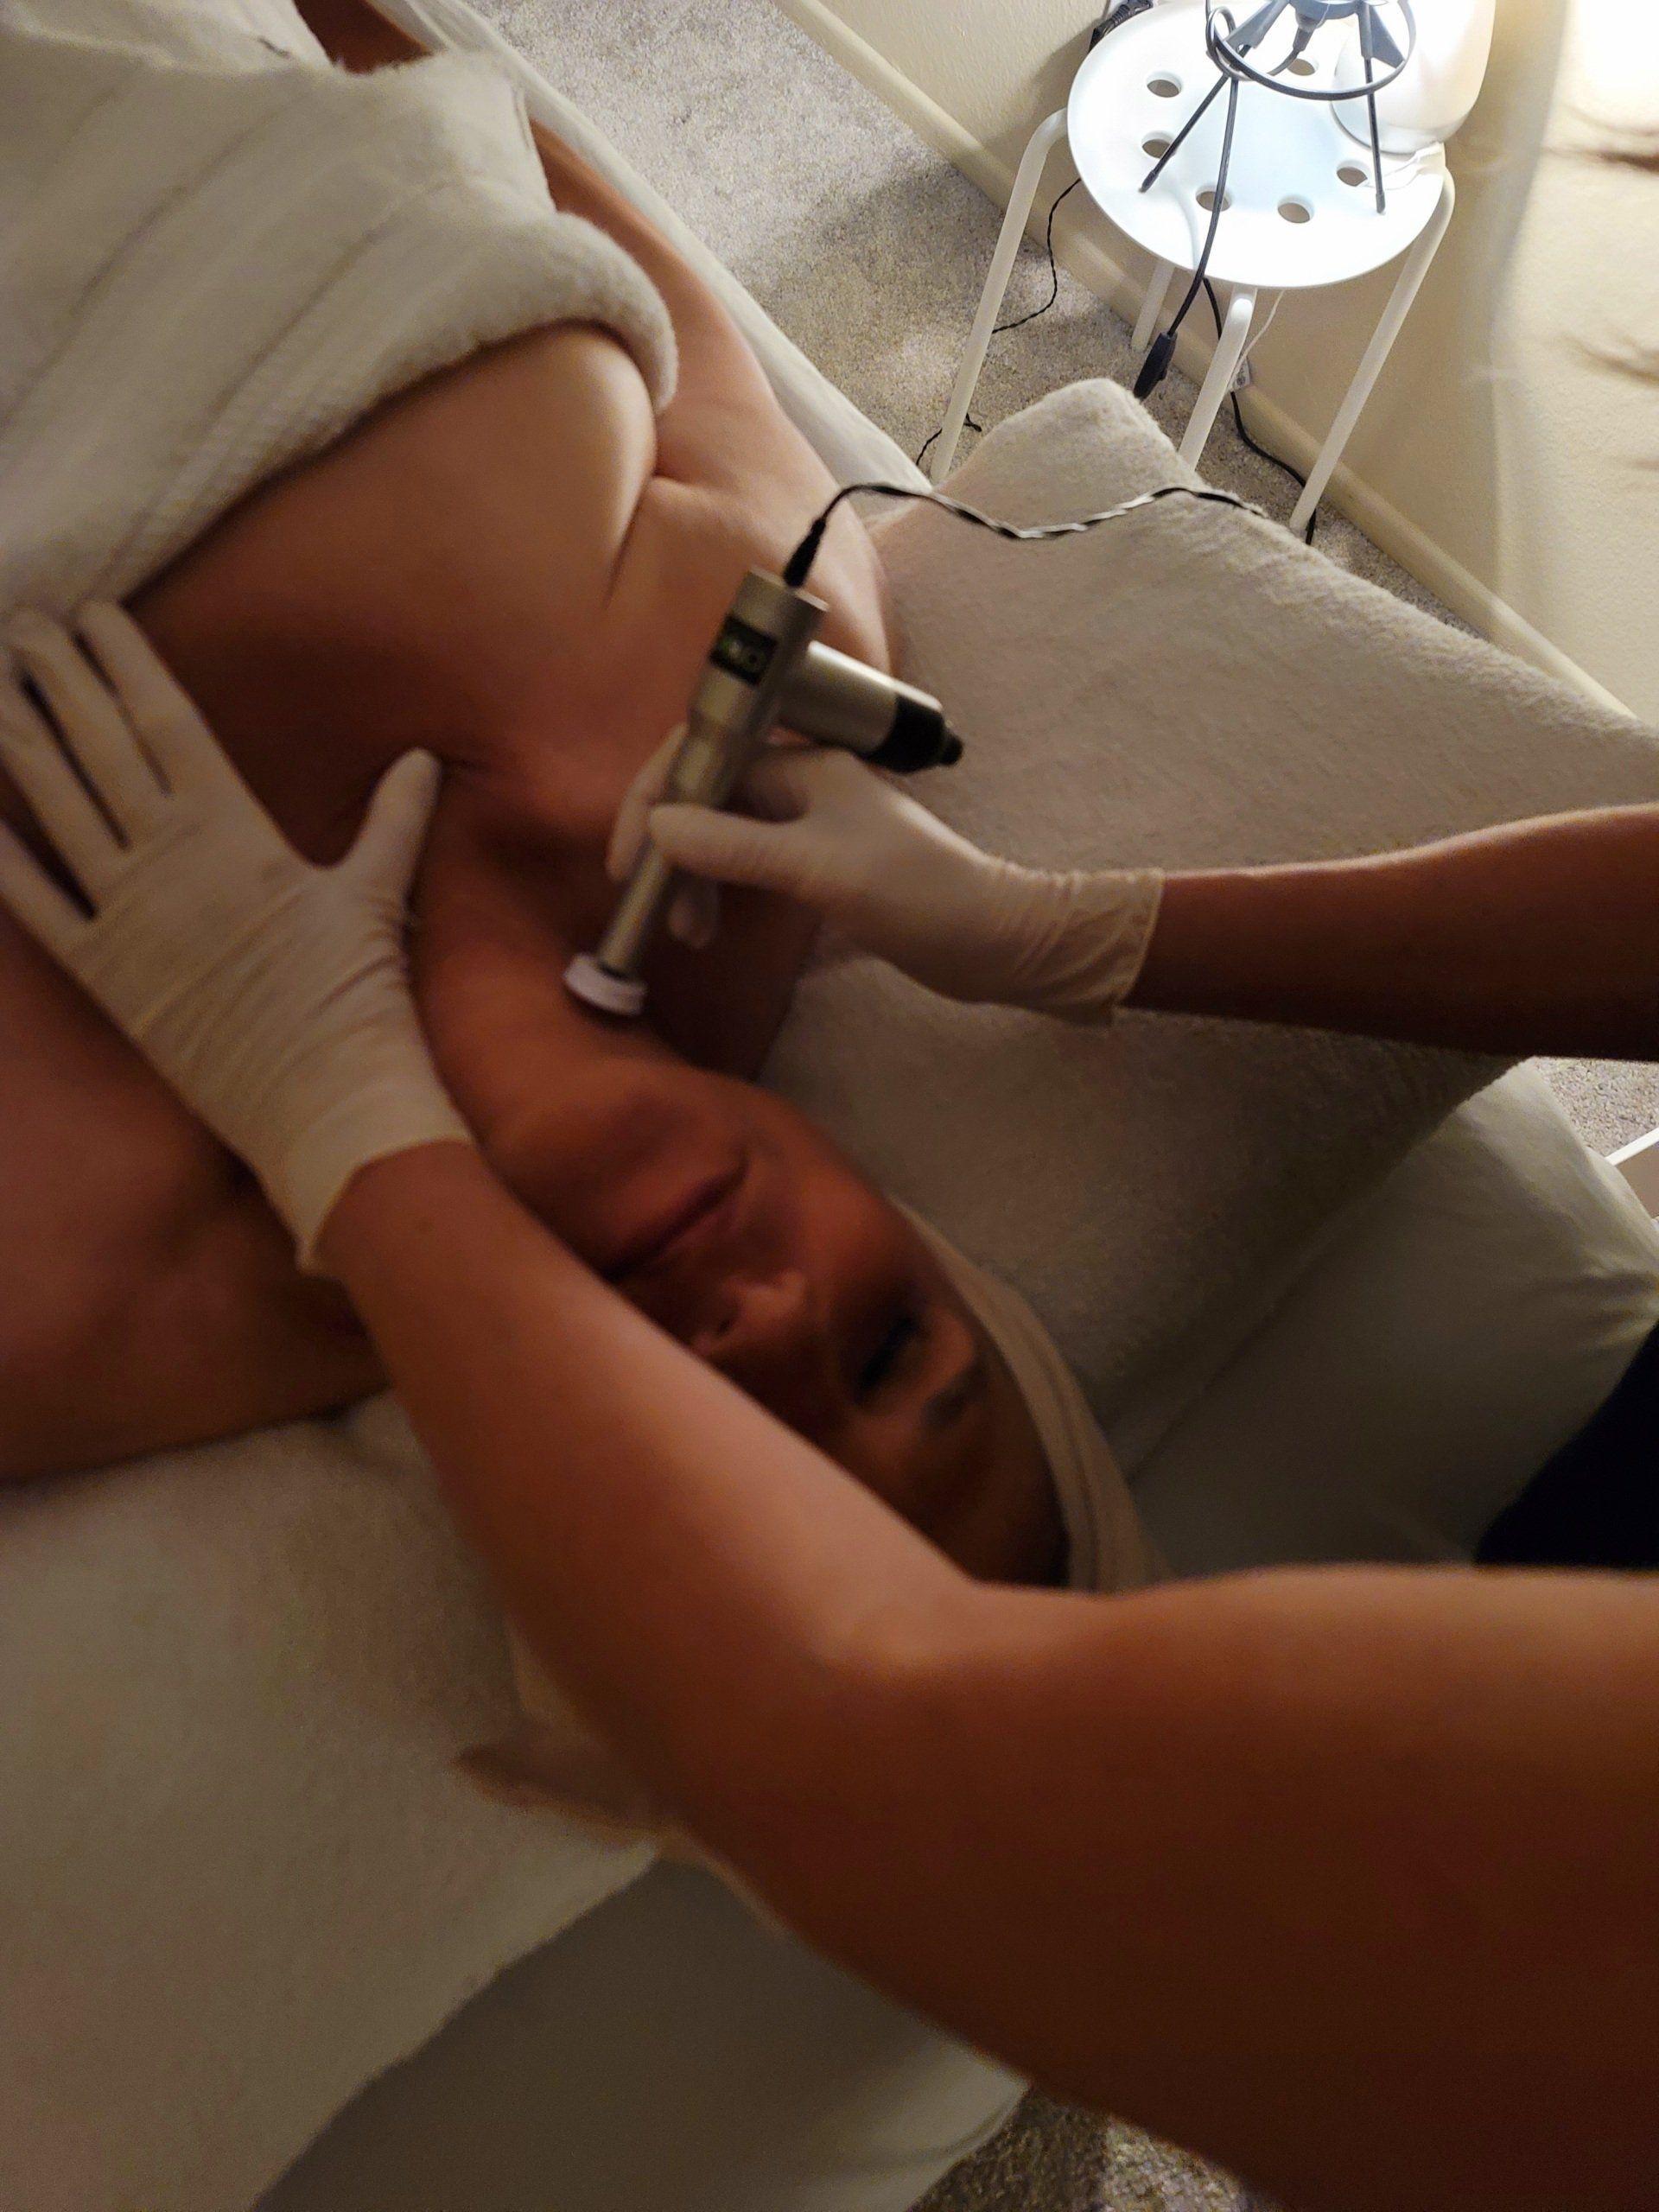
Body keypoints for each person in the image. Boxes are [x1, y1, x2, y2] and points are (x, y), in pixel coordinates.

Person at [3, 601, 1656, 2212]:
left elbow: (886, 1754)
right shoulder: (718, 868)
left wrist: (340, 1115)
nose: (766, 1324)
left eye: (706, 1447)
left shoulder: (99, 1290)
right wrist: (1078, 930)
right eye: (886, 1353)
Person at [0, 0, 1086, 1599]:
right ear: (945, 1264)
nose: (767, 1328)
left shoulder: (134, 1270)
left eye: (742, 1470)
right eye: (885, 1348)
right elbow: (600, 245)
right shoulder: (808, 720)